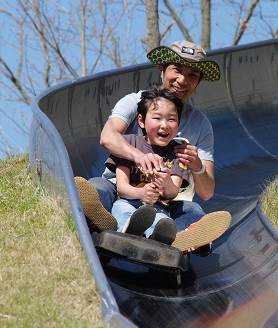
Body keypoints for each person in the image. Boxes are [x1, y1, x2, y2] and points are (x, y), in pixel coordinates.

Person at [77, 40, 230, 253]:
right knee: (99, 187)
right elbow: (107, 136)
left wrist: (197, 166)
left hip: (167, 199)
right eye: (177, 70)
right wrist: (139, 157)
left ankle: (184, 239)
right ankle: (102, 220)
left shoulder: (200, 124)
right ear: (162, 70)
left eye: (192, 75)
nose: (182, 80)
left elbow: (207, 192)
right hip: (122, 189)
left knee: (191, 208)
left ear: (198, 82)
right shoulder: (137, 102)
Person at [106, 84, 188, 245]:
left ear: (178, 123)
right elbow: (121, 187)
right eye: (157, 118)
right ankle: (128, 231)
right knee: (122, 210)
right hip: (129, 200)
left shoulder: (178, 151)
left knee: (162, 221)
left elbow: (172, 193)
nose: (164, 125)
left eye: (171, 119)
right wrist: (141, 194)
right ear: (141, 121)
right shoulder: (129, 143)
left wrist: (166, 182)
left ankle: (158, 240)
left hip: (158, 207)